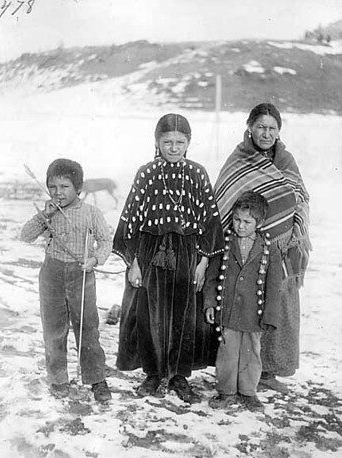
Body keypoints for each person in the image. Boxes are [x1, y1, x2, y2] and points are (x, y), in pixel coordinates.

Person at [112, 113, 224, 404]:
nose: (173, 148)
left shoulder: (198, 173)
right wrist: (133, 261)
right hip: (151, 251)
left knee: (185, 316)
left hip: (187, 252)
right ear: (157, 142)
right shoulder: (146, 173)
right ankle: (152, 373)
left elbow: (209, 220)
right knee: (150, 314)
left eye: (180, 142)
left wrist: (202, 261)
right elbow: (132, 219)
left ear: (188, 143)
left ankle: (179, 376)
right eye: (167, 142)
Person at [214, 103, 311, 393]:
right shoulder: (239, 159)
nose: (266, 133)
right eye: (261, 127)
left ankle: (270, 371)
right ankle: (241, 373)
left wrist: (297, 229)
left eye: (272, 128)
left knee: (279, 305)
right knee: (245, 306)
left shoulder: (286, 160)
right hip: (246, 248)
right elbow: (225, 198)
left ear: (278, 132)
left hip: (283, 246)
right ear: (250, 127)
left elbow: (301, 196)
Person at [21, 159, 112, 403]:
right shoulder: (48, 212)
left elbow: (105, 241)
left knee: (88, 328)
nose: (58, 193)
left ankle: (96, 378)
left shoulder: (91, 213)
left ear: (78, 188)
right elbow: (25, 236)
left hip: (81, 275)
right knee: (54, 329)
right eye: (52, 187)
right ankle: (58, 377)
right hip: (51, 274)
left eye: (65, 186)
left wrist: (95, 259)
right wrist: (44, 216)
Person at [204, 191, 282, 412]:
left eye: (247, 222)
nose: (240, 226)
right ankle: (226, 391)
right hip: (227, 311)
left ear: (260, 222)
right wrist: (210, 303)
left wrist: (270, 316)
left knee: (251, 352)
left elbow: (274, 286)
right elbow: (211, 275)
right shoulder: (224, 243)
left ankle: (248, 392)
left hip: (253, 314)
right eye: (237, 220)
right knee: (227, 352)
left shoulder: (269, 248)